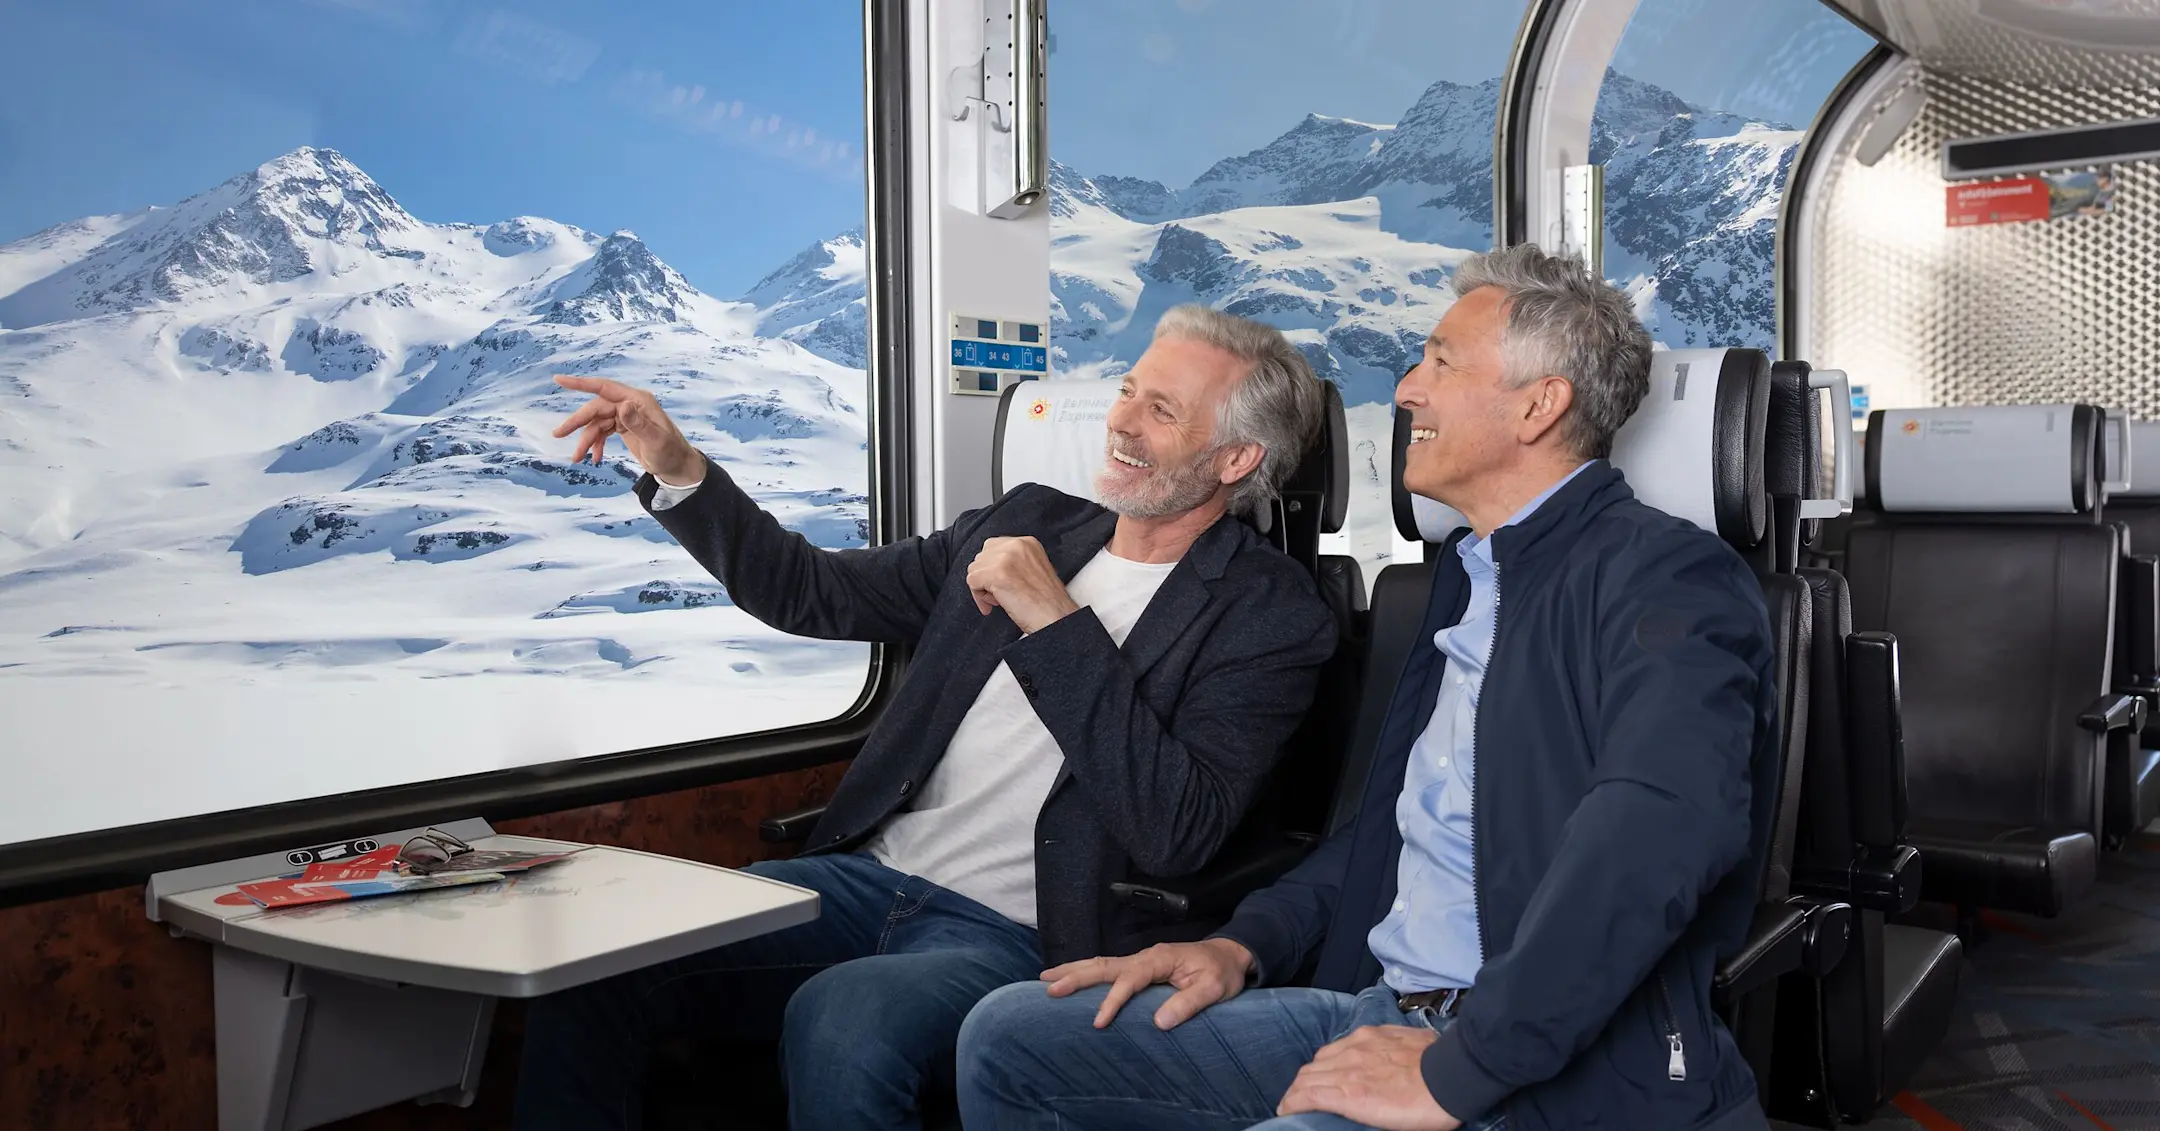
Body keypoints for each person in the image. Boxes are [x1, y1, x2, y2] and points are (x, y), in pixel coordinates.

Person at [955, 245, 1782, 1131]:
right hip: (1387, 1007)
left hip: (1539, 1064)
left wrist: (1461, 1071)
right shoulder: (1471, 581)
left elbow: (1651, 840)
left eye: (1440, 362)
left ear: (1540, 405)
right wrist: (1242, 943)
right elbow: (1387, 834)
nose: (1405, 391)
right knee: (1010, 1037)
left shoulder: (1665, 579)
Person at [512, 304, 1339, 1131]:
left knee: (844, 1017)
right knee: (598, 962)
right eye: (1127, 390)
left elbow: (1174, 826)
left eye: (1162, 410)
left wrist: (1055, 624)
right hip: (864, 878)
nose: (1121, 420)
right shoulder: (1028, 522)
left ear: (1236, 457)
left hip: (1020, 932)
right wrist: (680, 466)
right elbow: (812, 590)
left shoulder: (1270, 614)